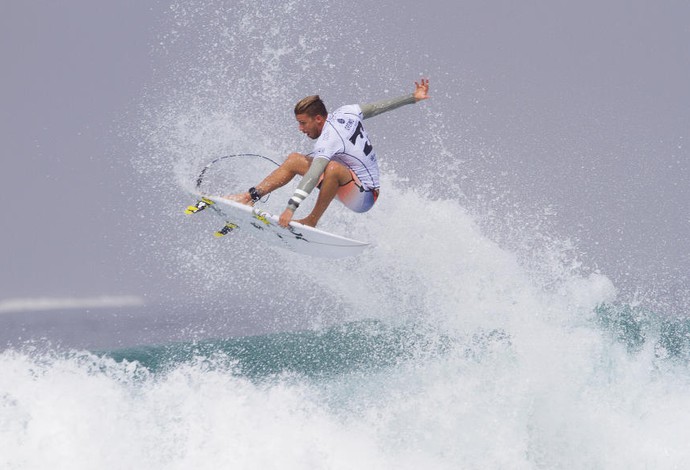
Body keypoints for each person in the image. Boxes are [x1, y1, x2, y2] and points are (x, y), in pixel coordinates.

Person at [228, 78, 430, 228]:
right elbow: (377, 108)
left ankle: (311, 221)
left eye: (303, 123)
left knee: (331, 167)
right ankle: (250, 196)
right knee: (294, 159)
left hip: (366, 195)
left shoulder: (329, 138)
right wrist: (412, 97)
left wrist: (291, 208)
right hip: (348, 183)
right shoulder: (347, 111)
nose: (301, 129)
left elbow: (314, 173)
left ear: (317, 118)